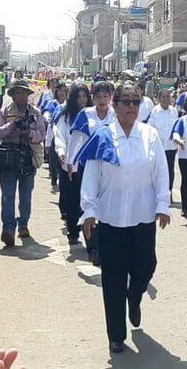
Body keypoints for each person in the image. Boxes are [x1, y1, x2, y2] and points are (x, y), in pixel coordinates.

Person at [77, 82, 171, 354]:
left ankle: (135, 297)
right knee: (113, 278)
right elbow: (91, 176)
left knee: (145, 267)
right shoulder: (103, 136)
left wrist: (163, 204)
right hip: (111, 220)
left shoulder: (150, 135)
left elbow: (161, 173)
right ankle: (116, 335)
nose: (131, 107)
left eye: (136, 102)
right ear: (115, 105)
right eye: (126, 102)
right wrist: (89, 212)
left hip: (143, 219)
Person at [0, 79, 46, 247]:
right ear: (13, 95)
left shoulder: (36, 113)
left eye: (23, 93)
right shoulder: (5, 110)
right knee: (7, 195)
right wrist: (13, 125)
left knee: (26, 196)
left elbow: (41, 135)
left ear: (28, 95)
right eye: (17, 93)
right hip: (9, 158)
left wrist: (28, 132)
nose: (20, 96)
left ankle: (23, 224)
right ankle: (8, 229)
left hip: (28, 158)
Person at [69, 81, 116, 264]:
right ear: (93, 98)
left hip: (111, 167)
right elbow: (75, 139)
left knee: (107, 206)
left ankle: (105, 246)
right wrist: (70, 163)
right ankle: (92, 248)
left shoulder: (116, 113)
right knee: (89, 205)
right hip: (87, 166)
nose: (102, 100)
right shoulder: (86, 114)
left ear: (111, 97)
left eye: (105, 96)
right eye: (98, 97)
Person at [54, 82, 91, 243]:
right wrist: (61, 151)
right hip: (67, 163)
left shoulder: (93, 114)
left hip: (87, 165)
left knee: (86, 199)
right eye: (78, 97)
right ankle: (73, 231)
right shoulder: (65, 115)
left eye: (85, 96)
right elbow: (59, 135)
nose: (82, 100)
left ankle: (88, 234)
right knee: (70, 199)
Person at [148, 89, 179, 203]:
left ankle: (168, 193)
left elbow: (177, 126)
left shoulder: (174, 111)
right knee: (159, 170)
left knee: (170, 170)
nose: (166, 99)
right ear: (159, 98)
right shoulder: (155, 111)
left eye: (168, 96)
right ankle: (157, 193)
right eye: (163, 97)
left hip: (171, 146)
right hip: (159, 147)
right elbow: (150, 128)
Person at [44, 82, 68, 193]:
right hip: (54, 134)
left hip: (66, 138)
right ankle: (54, 180)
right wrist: (48, 117)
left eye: (64, 91)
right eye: (60, 90)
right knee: (53, 161)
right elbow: (47, 115)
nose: (62, 93)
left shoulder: (70, 105)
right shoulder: (53, 103)